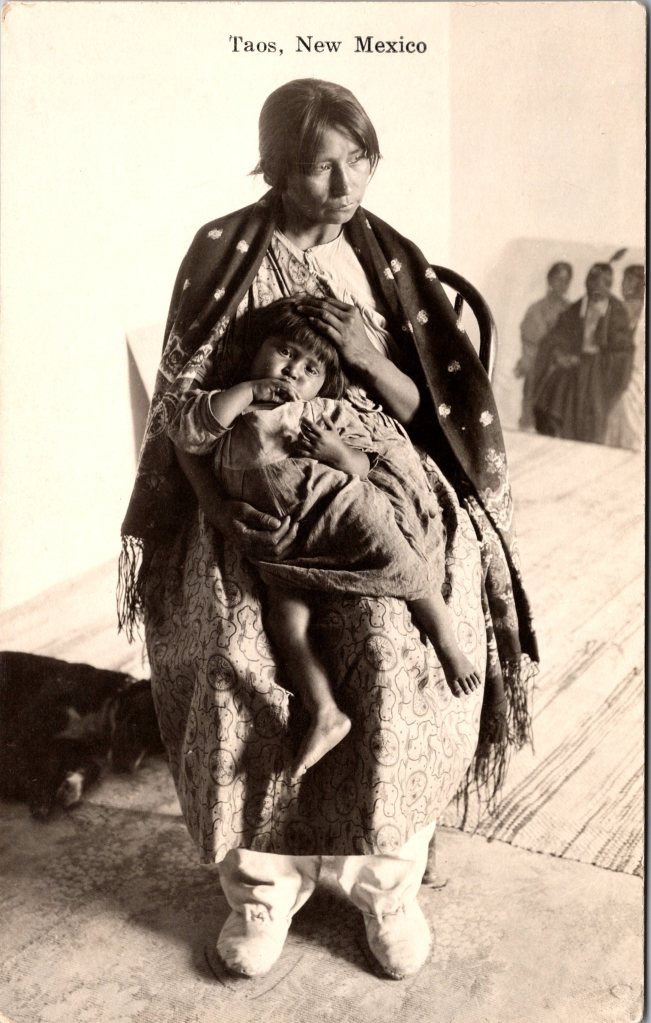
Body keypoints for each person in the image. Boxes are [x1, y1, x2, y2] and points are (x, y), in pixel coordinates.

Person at [119, 78, 538, 982]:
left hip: (369, 472)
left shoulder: (384, 258)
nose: (344, 184)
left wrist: (361, 354)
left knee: (388, 642)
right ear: (275, 168)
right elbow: (182, 408)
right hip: (248, 483)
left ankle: (383, 882)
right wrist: (216, 505)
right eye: (319, 166)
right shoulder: (226, 251)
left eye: (359, 160)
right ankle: (263, 889)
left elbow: (423, 411)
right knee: (233, 645)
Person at [170, 302, 481, 782]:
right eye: (284, 352)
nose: (293, 371)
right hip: (286, 543)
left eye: (310, 369)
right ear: (257, 349)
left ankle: (447, 644)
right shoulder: (227, 406)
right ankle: (325, 711)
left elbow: (367, 463)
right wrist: (249, 391)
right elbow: (187, 435)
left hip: (341, 512)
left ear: (323, 385)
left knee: (401, 561)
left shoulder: (318, 411)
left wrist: (336, 452)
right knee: (285, 621)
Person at [532, 262, 634, 444]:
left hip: (602, 370)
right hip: (573, 365)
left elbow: (623, 350)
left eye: (602, 285)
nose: (596, 289)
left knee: (588, 396)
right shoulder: (576, 308)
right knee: (550, 396)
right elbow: (556, 336)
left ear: (609, 286)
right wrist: (560, 355)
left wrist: (597, 355)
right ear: (587, 284)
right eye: (592, 283)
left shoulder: (617, 312)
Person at [514, 262, 572, 430]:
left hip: (561, 372)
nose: (562, 284)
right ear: (550, 280)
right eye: (558, 279)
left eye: (566, 280)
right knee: (531, 417)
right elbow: (530, 340)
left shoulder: (572, 310)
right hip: (537, 368)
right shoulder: (536, 309)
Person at [604, 264, 645, 451]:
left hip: (636, 375)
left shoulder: (635, 310)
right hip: (618, 372)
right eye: (624, 280)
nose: (623, 284)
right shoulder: (618, 309)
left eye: (629, 280)